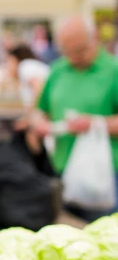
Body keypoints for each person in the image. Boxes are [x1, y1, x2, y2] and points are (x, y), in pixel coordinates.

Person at [31, 16, 118, 220]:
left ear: (94, 38)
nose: (75, 57)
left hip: (104, 176)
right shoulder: (58, 70)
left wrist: (95, 124)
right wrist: (41, 125)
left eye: (80, 50)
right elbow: (39, 110)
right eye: (68, 52)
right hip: (63, 171)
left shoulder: (112, 71)